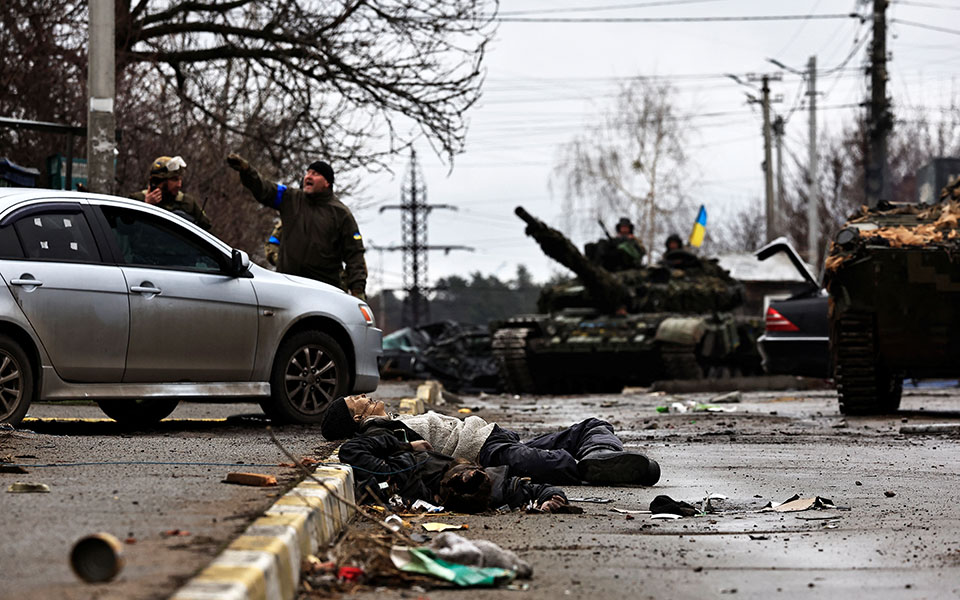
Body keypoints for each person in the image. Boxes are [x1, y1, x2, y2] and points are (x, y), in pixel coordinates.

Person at [321, 395, 661, 487]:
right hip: (487, 452)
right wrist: (408, 447)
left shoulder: (393, 422)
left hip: (495, 436)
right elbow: (360, 451)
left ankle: (600, 456)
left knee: (591, 425)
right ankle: (593, 468)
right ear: (357, 419)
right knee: (552, 465)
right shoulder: (383, 433)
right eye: (359, 401)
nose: (366, 397)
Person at [227, 153, 367, 299]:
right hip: (287, 285)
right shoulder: (290, 198)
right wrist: (247, 171)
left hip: (324, 291)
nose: (309, 176)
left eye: (316, 174)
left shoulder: (341, 214)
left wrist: (358, 291)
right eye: (308, 173)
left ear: (327, 183)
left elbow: (355, 255)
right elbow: (265, 189)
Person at [338, 430, 572, 513]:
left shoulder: (401, 477)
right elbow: (536, 489)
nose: (470, 472)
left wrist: (406, 447)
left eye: (466, 475)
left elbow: (351, 449)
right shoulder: (492, 487)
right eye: (473, 470)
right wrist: (553, 498)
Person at [130, 156, 212, 230]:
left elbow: (206, 229)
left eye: (180, 179)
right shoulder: (137, 200)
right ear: (160, 181)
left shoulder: (187, 203)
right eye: (174, 179)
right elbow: (125, 228)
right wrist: (146, 206)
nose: (179, 185)